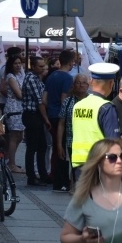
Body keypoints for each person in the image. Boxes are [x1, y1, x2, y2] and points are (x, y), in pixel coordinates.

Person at [71, 63, 122, 174]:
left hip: (79, 164)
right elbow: (113, 141)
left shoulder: (78, 105)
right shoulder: (106, 107)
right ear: (111, 84)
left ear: (91, 81)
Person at [43, 50, 75, 192]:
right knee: (62, 149)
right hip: (61, 117)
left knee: (56, 148)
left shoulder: (51, 76)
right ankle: (61, 181)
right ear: (70, 62)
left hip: (51, 114)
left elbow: (44, 99)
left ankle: (57, 179)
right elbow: (64, 99)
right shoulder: (67, 78)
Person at [22, 57, 52, 186]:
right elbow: (39, 101)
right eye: (40, 66)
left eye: (43, 66)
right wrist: (46, 119)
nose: (43, 68)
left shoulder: (37, 78)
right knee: (32, 147)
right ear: (33, 66)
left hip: (37, 115)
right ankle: (31, 176)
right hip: (32, 115)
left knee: (42, 146)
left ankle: (43, 174)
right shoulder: (31, 78)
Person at [57, 74, 89, 192]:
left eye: (83, 83)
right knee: (75, 167)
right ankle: (73, 190)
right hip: (72, 142)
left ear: (88, 85)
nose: (81, 85)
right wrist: (59, 145)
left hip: (88, 141)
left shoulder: (91, 101)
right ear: (74, 85)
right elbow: (61, 123)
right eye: (78, 83)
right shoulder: (68, 101)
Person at [3, 55, 26, 173]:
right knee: (14, 136)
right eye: (15, 63)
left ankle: (9, 160)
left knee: (20, 136)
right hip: (13, 107)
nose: (18, 65)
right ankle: (11, 164)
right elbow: (19, 94)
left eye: (19, 63)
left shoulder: (21, 75)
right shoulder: (10, 77)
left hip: (21, 107)